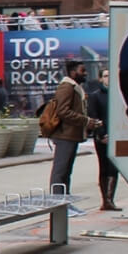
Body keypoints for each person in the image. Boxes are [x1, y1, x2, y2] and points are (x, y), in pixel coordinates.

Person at [45, 59, 98, 197]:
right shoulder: (67, 87)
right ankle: (58, 203)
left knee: (66, 171)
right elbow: (62, 111)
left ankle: (64, 202)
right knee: (61, 171)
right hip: (64, 135)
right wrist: (85, 121)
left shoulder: (75, 87)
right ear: (73, 72)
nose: (85, 74)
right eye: (82, 71)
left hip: (70, 135)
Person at [86, 67, 119, 211]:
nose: (108, 78)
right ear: (100, 78)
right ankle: (105, 200)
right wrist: (101, 134)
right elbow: (94, 116)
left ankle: (110, 199)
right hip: (102, 138)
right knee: (104, 167)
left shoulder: (118, 95)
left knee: (115, 168)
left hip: (116, 136)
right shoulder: (95, 96)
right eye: (105, 76)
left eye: (110, 75)